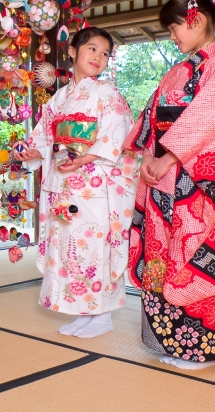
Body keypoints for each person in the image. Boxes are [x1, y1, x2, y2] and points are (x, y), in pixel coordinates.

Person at [123, 0, 215, 370]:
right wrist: (149, 153)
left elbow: (206, 120)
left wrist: (166, 159)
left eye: (174, 28)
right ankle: (170, 341)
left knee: (194, 252)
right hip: (164, 179)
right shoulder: (177, 71)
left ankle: (203, 348)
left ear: (195, 20)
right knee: (161, 256)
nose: (173, 36)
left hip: (195, 182)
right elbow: (151, 117)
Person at [15, 27, 139, 338]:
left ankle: (102, 314)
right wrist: (33, 151)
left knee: (94, 248)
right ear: (73, 51)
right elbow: (44, 137)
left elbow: (116, 138)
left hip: (94, 186)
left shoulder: (108, 95)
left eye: (105, 53)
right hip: (63, 183)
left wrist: (84, 158)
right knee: (70, 247)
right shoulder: (59, 96)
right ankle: (84, 311)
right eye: (92, 49)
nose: (99, 57)